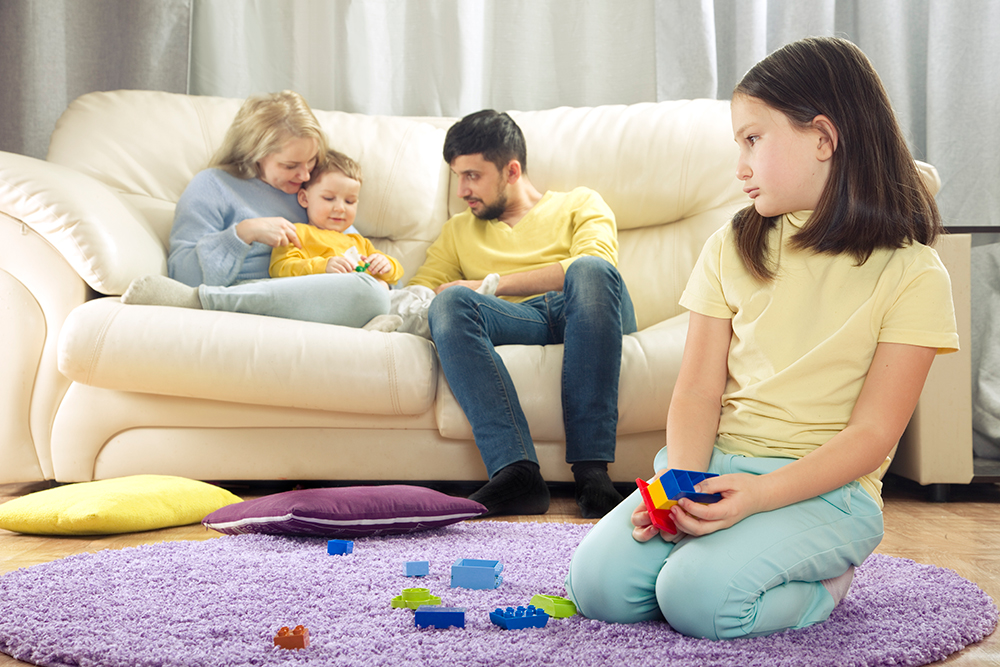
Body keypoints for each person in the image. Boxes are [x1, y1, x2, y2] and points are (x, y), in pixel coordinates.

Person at [563, 37, 959, 640]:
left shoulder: (913, 273)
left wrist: (758, 496)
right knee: (598, 588)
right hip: (717, 467)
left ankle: (823, 585)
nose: (740, 166)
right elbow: (697, 390)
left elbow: (873, 433)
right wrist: (679, 489)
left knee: (695, 600)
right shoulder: (730, 246)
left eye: (754, 140)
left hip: (826, 491)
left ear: (824, 140)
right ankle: (727, 555)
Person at [407, 109, 637, 519]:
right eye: (457, 176)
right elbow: (423, 291)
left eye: (472, 175)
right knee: (448, 304)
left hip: (587, 308)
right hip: (517, 320)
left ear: (511, 171)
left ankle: (592, 473)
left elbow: (597, 263)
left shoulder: (579, 203)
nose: (462, 189)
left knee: (589, 270)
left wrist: (488, 284)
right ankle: (517, 472)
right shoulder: (458, 230)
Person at [122, 91, 390, 329]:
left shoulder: (314, 191)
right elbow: (183, 276)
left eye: (312, 161)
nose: (305, 173)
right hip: (250, 288)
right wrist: (243, 233)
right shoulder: (212, 185)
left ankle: (205, 303)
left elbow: (355, 249)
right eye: (290, 165)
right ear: (255, 154)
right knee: (368, 295)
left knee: (372, 293)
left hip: (313, 294)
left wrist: (382, 277)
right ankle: (204, 301)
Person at [270, 149, 404, 287]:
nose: (340, 208)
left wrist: (387, 265)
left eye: (349, 201)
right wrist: (323, 266)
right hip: (332, 296)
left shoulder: (360, 242)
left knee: (416, 292)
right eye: (329, 198)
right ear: (304, 198)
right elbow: (280, 268)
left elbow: (397, 275)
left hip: (371, 296)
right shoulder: (296, 233)